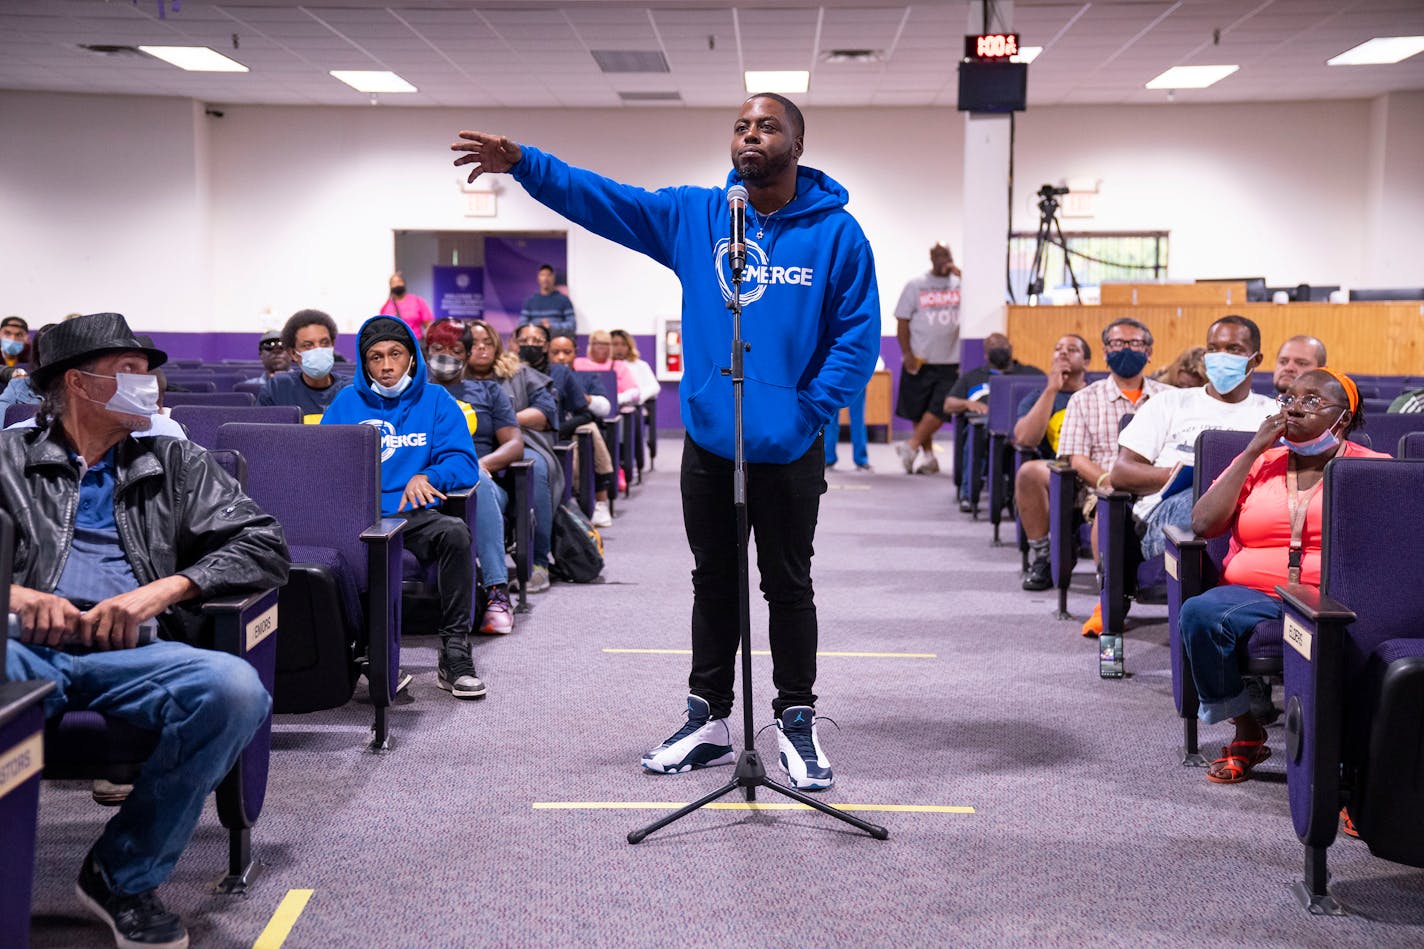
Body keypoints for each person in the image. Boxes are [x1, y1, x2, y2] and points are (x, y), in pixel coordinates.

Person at [452, 92, 879, 790]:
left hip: (789, 444)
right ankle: (707, 716)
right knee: (713, 580)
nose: (750, 135)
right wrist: (525, 165)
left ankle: (796, 720)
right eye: (740, 125)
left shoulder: (838, 234)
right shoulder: (698, 215)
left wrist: (808, 412)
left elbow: (856, 335)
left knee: (788, 584)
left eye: (767, 126)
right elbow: (604, 200)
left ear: (798, 143)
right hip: (712, 445)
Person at [2, 312, 289, 949]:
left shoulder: (174, 462)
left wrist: (164, 590)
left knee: (234, 689)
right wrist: (17, 596)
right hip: (20, 648)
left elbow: (264, 544)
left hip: (134, 651)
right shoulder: (7, 461)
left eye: (150, 372)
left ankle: (121, 873)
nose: (150, 386)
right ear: (79, 384)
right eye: (130, 372)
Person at [1179, 369, 1385, 783]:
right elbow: (1202, 524)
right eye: (1289, 397)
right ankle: (1246, 727)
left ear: (1342, 418)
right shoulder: (1262, 462)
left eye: (1311, 401)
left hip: (1331, 597)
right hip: (1257, 594)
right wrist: (1254, 449)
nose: (1293, 407)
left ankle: (1351, 769)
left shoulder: (1373, 470)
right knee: (1199, 613)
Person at [322, 316, 488, 695]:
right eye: (375, 357)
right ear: (365, 363)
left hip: (411, 515)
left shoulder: (435, 400)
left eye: (395, 354)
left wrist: (428, 475)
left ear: (411, 357)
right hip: (358, 514)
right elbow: (323, 459)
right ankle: (366, 655)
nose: (385, 365)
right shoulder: (347, 402)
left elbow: (463, 463)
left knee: (455, 534)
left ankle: (455, 651)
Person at [1111, 315, 1278, 561]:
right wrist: (1183, 475)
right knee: (1202, 496)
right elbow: (1121, 473)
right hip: (1167, 518)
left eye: (1233, 349)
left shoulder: (1271, 414)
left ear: (1256, 359)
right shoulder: (1170, 402)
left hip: (1245, 513)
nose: (1221, 356)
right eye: (1213, 348)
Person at [1042, 318, 1169, 634]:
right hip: (1103, 488)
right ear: (1105, 351)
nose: (1125, 350)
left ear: (1149, 351)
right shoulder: (1085, 399)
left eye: (1134, 344)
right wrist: (1106, 481)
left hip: (1159, 487)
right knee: (1109, 506)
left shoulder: (1169, 398)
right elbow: (1076, 457)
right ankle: (1108, 598)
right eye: (1117, 344)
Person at [423, 319, 521, 629]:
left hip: (482, 478)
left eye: (455, 350)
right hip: (430, 480)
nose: (446, 355)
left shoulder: (487, 390)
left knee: (476, 482)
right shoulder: (416, 393)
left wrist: (483, 464)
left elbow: (515, 444)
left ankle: (496, 591)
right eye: (438, 349)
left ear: (466, 354)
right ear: (426, 352)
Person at [1011, 334, 1094, 591]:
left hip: (1096, 467)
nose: (1063, 353)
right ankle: (1044, 556)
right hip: (1061, 472)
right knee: (1028, 471)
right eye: (1057, 348)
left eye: (1072, 349)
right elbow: (1025, 439)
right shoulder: (1039, 397)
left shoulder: (1096, 395)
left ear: (1087, 362)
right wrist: (1051, 390)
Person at [941, 332, 1043, 506]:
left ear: (1011, 348)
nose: (999, 349)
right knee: (974, 436)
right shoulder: (972, 377)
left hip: (1021, 428)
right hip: (984, 429)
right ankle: (969, 493)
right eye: (993, 347)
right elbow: (948, 404)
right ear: (986, 354)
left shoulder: (1031, 374)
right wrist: (967, 403)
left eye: (1002, 345)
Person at [894, 243, 962, 475]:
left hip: (951, 361)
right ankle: (929, 458)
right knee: (919, 410)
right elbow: (902, 322)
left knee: (940, 408)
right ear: (932, 259)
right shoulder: (916, 286)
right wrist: (906, 354)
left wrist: (962, 275)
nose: (945, 259)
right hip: (921, 359)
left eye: (948, 255)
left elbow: (980, 298)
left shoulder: (961, 284)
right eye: (940, 256)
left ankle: (910, 446)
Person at [541, 330, 616, 527]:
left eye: (567, 352)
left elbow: (603, 408)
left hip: (579, 430)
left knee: (588, 429)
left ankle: (601, 501)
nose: (561, 357)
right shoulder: (541, 377)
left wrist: (585, 398)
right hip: (551, 432)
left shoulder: (588, 378)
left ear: (576, 352)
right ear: (547, 352)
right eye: (555, 352)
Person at [257, 309, 350, 421]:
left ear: (332, 346)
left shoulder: (351, 389)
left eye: (324, 343)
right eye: (308, 345)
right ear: (293, 353)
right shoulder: (277, 389)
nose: (318, 349)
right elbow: (262, 434)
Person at [519, 264, 576, 338]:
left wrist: (551, 326)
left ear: (553, 278)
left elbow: (572, 325)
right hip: (535, 341)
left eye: (549, 275)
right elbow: (522, 325)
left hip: (556, 342)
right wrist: (539, 326)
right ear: (538, 278)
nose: (545, 278)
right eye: (542, 275)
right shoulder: (530, 301)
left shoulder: (564, 300)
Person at [610, 329, 661, 406]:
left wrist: (638, 397)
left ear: (629, 347)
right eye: (615, 344)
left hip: (635, 405)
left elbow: (654, 387)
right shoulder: (604, 365)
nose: (619, 348)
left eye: (623, 344)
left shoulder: (640, 365)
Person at [379, 271, 434, 342]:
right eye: (393, 283)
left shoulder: (417, 301)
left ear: (404, 283)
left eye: (399, 281)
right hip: (395, 345)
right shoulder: (386, 307)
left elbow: (428, 325)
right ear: (390, 286)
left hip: (416, 342)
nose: (397, 284)